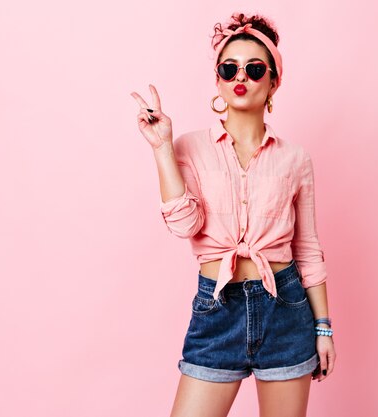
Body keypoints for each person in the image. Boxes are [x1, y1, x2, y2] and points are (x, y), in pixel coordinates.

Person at [131, 12, 336, 417]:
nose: (240, 76)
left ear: (274, 81)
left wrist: (323, 327)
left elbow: (308, 249)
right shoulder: (189, 147)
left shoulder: (296, 160)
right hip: (217, 309)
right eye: (229, 68)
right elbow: (185, 225)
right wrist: (161, 148)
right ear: (219, 81)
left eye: (254, 68)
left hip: (285, 308)